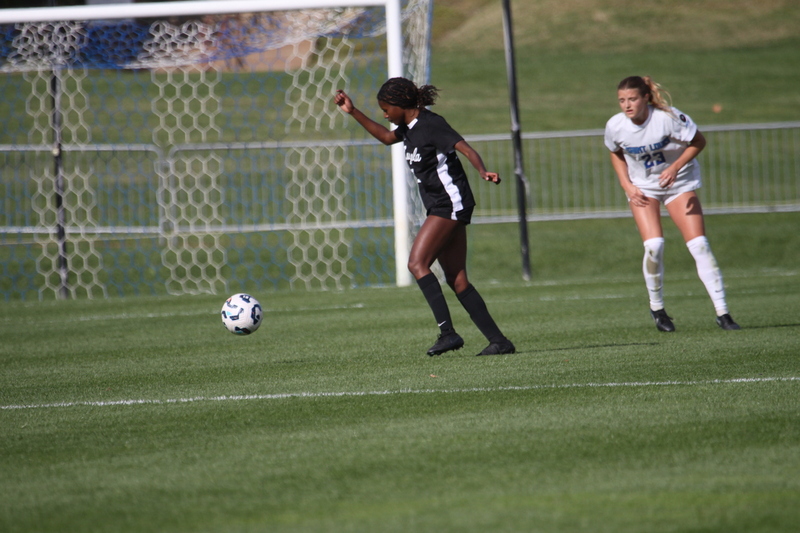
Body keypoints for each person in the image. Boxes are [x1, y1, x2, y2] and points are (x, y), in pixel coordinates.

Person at [334, 77, 516, 355]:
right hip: (441, 206)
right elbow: (385, 137)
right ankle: (500, 342)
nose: (384, 114)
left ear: (400, 104)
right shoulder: (407, 128)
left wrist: (482, 170)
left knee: (417, 263)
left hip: (450, 203)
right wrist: (353, 111)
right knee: (457, 279)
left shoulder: (432, 124)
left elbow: (464, 147)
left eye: (386, 109)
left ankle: (448, 333)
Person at [604, 75, 740, 332]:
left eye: (632, 99)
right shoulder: (615, 125)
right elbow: (615, 152)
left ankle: (723, 313)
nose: (627, 105)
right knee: (654, 245)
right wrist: (627, 185)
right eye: (622, 100)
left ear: (645, 97)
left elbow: (698, 141)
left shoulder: (668, 118)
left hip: (679, 184)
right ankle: (657, 309)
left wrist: (676, 167)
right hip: (644, 188)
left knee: (699, 245)